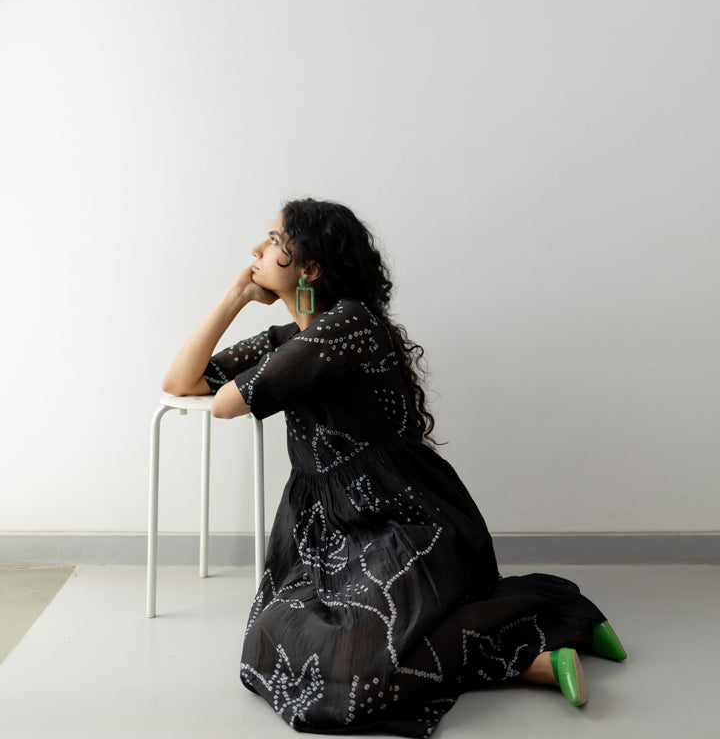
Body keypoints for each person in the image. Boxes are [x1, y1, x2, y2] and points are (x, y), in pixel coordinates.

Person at [163, 197, 627, 736]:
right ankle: (540, 651)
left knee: (355, 669)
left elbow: (223, 404)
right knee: (268, 646)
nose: (256, 249)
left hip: (399, 520)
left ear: (309, 266)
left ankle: (548, 629)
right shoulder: (286, 340)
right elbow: (181, 381)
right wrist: (235, 296)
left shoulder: (348, 324)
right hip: (326, 531)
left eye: (272, 240)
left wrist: (245, 310)